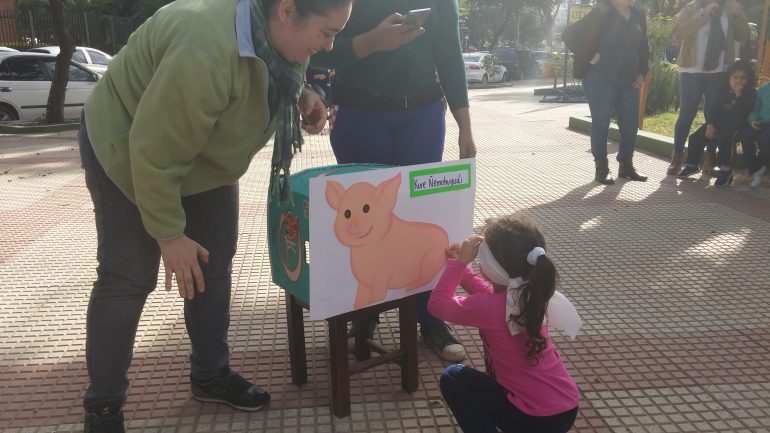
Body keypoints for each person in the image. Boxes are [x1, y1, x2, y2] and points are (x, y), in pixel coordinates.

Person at [78, 0, 352, 431]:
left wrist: (300, 93)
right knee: (128, 277)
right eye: (326, 33)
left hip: (203, 156)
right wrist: (170, 235)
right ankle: (104, 406)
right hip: (127, 146)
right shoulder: (204, 49)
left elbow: (275, 66)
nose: (330, 46)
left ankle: (210, 374)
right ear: (287, 10)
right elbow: (153, 153)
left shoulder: (273, 35)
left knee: (213, 264)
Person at [311, 0, 476, 362]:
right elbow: (317, 50)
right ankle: (365, 315)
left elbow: (449, 54)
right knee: (365, 218)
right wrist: (370, 42)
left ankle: (432, 317)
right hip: (358, 112)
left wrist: (464, 124)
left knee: (425, 218)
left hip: (423, 113)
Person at [427, 216, 580, 433]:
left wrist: (459, 264)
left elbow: (438, 304)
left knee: (453, 377)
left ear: (491, 266)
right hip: (566, 407)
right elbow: (490, 293)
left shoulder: (490, 307)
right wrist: (463, 270)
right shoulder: (532, 294)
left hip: (533, 418)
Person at [564, 0, 649, 185]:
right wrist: (591, 56)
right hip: (601, 78)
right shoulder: (601, 13)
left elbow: (643, 46)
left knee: (630, 124)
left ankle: (626, 165)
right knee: (601, 122)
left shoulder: (638, 14)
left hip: (630, 81)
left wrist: (642, 72)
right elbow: (569, 35)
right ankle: (601, 169)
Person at [669, 0, 750, 175]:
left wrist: (738, 14)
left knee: (713, 118)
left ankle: (709, 159)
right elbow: (677, 34)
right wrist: (703, 14)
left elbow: (744, 35)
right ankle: (677, 157)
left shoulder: (729, 9)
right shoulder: (691, 8)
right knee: (686, 115)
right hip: (691, 71)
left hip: (719, 72)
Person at [677, 60, 756, 187]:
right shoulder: (723, 91)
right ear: (729, 77)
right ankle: (692, 164)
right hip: (718, 124)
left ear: (749, 79)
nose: (738, 81)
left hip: (738, 126)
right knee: (695, 137)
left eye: (743, 78)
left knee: (724, 137)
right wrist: (710, 125)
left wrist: (739, 95)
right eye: (735, 77)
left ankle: (725, 169)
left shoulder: (750, 94)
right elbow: (713, 109)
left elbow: (744, 112)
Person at [739, 79, 770, 188]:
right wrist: (752, 120)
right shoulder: (764, 89)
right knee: (745, 135)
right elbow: (756, 108)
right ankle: (755, 168)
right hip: (760, 122)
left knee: (764, 139)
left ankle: (762, 167)